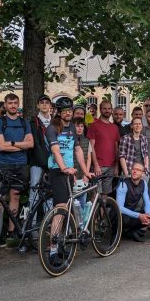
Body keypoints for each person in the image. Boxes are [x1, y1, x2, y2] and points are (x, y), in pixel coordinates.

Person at [46, 97, 92, 261]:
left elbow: (78, 150)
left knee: (68, 209)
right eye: (64, 111)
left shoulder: (72, 127)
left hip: (70, 172)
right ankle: (52, 250)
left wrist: (86, 171)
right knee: (61, 209)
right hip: (58, 171)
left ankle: (60, 245)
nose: (67, 114)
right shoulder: (52, 128)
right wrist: (64, 168)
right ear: (58, 112)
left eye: (69, 111)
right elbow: (56, 151)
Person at [0, 93, 34, 242]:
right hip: (4, 164)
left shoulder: (24, 122)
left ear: (18, 104)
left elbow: (30, 144)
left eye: (15, 103)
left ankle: (11, 231)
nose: (12, 106)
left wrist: (10, 143)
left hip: (21, 164)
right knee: (0, 198)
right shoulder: (0, 122)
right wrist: (19, 145)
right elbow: (1, 146)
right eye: (10, 103)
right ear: (5, 105)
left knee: (15, 196)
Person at [87, 99, 120, 197]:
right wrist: (96, 164)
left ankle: (102, 213)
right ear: (100, 110)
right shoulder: (94, 126)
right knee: (95, 195)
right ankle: (95, 213)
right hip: (99, 166)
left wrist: (117, 165)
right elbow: (91, 147)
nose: (107, 110)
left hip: (111, 166)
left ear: (112, 110)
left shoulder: (114, 127)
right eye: (104, 108)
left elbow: (116, 147)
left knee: (105, 196)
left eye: (109, 108)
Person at [116, 162, 150, 242]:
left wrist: (148, 214)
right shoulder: (123, 184)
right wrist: (139, 215)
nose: (134, 171)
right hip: (119, 216)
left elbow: (147, 201)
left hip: (132, 213)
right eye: (133, 169)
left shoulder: (143, 183)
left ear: (142, 174)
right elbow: (119, 208)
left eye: (138, 170)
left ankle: (131, 231)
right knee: (126, 218)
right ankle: (120, 232)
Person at [27, 94, 52, 195]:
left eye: (47, 103)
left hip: (53, 161)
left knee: (50, 192)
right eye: (42, 103)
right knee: (34, 190)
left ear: (50, 105)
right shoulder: (33, 122)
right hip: (37, 162)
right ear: (38, 105)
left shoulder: (55, 122)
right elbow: (36, 144)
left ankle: (49, 211)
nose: (44, 105)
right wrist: (45, 163)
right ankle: (32, 211)